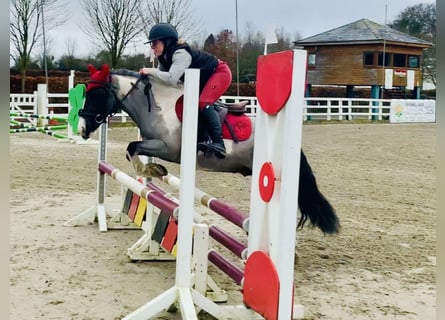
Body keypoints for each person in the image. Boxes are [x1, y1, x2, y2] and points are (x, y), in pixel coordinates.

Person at [139, 23, 232, 159]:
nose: (152, 47)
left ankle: (219, 144)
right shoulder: (164, 57)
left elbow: (170, 78)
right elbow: (162, 80)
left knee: (203, 102)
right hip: (202, 78)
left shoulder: (180, 53)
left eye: (154, 43)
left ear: (166, 41)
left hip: (219, 73)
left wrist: (150, 71)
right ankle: (202, 138)